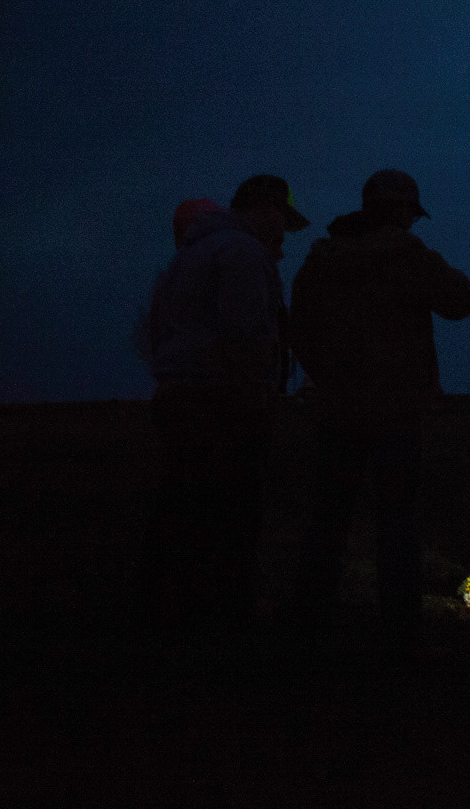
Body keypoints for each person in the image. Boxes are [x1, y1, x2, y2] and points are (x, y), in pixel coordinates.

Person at [287, 169, 470, 653]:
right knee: (397, 522)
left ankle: (309, 625)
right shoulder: (406, 256)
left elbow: (300, 329)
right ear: (402, 212)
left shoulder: (321, 259)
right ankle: (399, 632)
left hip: (336, 410)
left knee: (328, 519)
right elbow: (460, 300)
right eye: (411, 215)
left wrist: (330, 378)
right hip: (396, 411)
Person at [141, 174, 309, 632]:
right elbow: (247, 334)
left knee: (184, 515)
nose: (282, 237)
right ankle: (225, 625)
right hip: (221, 406)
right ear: (268, 209)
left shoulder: (191, 255)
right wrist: (258, 395)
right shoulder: (241, 253)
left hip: (183, 399)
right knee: (230, 519)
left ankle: (172, 618)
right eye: (281, 221)